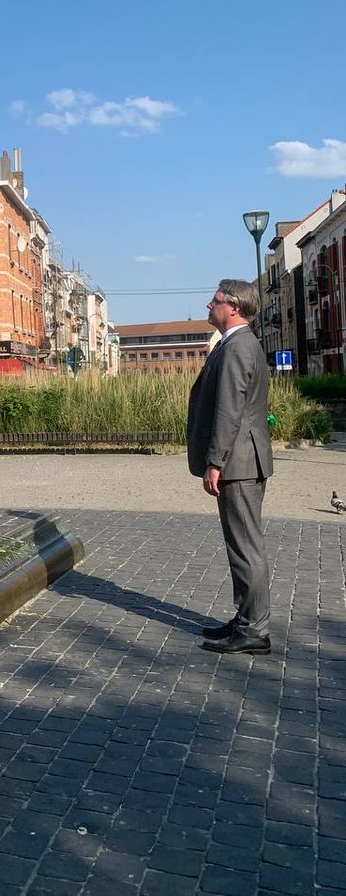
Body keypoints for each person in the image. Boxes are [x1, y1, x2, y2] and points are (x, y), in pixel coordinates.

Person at [187, 279, 274, 655]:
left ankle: (254, 629)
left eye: (216, 300)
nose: (209, 304)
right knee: (240, 544)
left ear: (234, 307)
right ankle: (246, 618)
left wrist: (215, 462)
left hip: (238, 462)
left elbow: (229, 410)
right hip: (241, 459)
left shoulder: (238, 347)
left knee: (246, 546)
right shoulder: (235, 344)